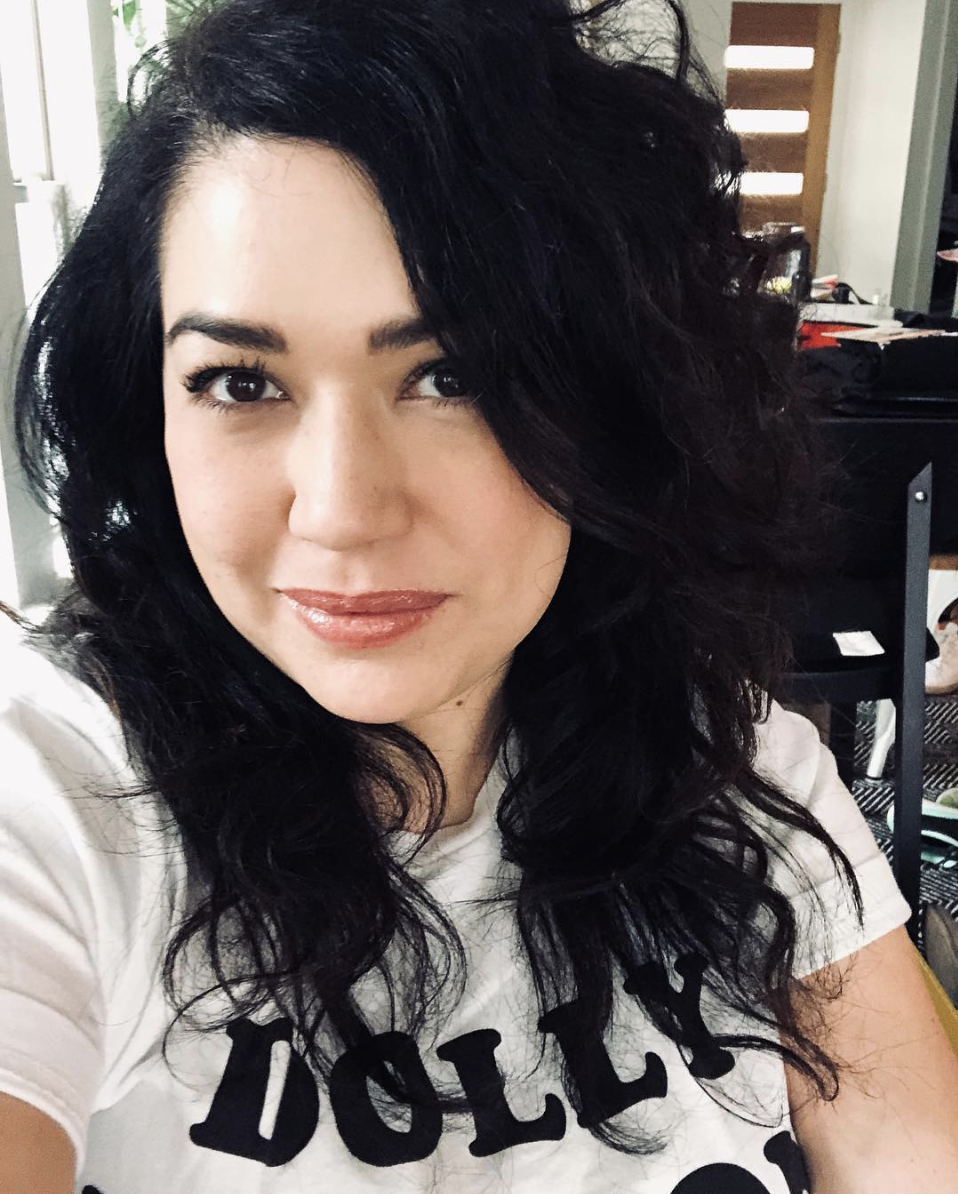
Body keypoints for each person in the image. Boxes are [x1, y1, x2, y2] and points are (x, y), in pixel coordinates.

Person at [0, 0, 956, 1190]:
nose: (342, 508)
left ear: (611, 404)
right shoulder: (59, 790)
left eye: (451, 375)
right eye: (240, 381)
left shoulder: (732, 760)